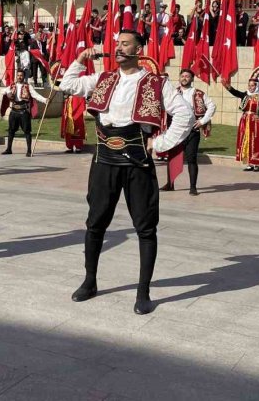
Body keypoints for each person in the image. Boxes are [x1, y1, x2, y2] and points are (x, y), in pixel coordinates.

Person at [59, 30, 193, 315]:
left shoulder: (156, 83)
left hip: (136, 161)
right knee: (95, 222)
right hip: (104, 160)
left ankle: (143, 291)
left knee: (145, 227)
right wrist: (82, 59)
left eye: (125, 44)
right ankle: (90, 280)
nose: (118, 48)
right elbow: (66, 84)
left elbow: (185, 114)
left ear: (138, 48)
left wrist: (160, 144)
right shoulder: (103, 78)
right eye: (117, 44)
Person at [160, 68, 214, 193]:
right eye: (182, 76)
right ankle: (170, 184)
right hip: (175, 131)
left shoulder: (198, 93)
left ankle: (193, 187)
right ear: (179, 78)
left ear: (192, 79)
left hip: (191, 131)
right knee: (172, 157)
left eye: (187, 76)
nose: (184, 78)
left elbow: (212, 106)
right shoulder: (173, 92)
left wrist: (202, 121)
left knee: (191, 159)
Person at [221, 76, 259, 171]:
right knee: (245, 141)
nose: (250, 87)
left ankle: (256, 164)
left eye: (252, 86)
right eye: (249, 85)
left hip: (255, 122)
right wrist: (228, 86)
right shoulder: (245, 95)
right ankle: (249, 163)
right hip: (244, 121)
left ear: (256, 86)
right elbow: (235, 92)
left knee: (256, 141)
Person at [0, 69, 47, 156]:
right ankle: (8, 149)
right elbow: (2, 91)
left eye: (21, 75)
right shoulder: (12, 85)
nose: (19, 77)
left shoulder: (28, 86)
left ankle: (29, 150)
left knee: (27, 131)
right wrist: (8, 93)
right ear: (16, 76)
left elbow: (35, 95)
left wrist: (45, 100)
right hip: (14, 111)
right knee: (11, 131)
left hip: (24, 112)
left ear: (24, 76)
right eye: (18, 75)